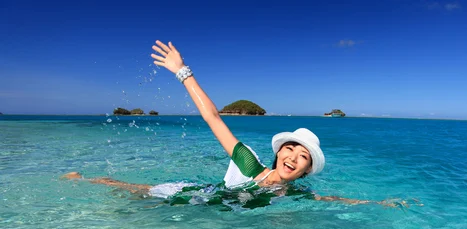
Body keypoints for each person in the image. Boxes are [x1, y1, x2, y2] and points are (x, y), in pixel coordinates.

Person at [63, 40, 418, 209]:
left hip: (205, 215)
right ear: (279, 153)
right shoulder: (248, 162)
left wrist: (377, 203)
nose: (294, 155)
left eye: (303, 156)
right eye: (290, 148)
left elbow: (331, 199)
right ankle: (87, 179)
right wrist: (182, 72)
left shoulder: (295, 192)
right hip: (192, 196)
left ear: (306, 170)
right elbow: (213, 118)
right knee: (132, 190)